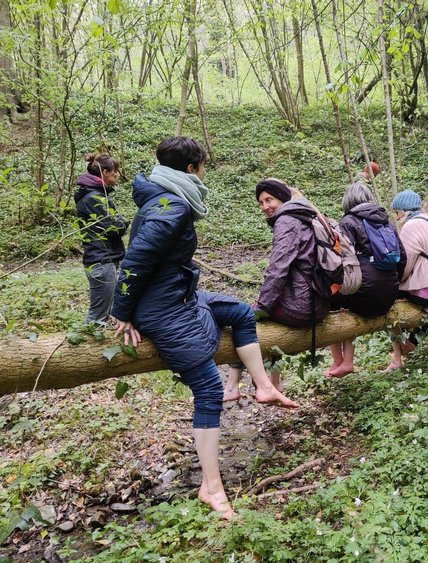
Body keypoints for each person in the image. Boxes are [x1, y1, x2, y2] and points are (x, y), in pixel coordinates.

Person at [111, 137, 298, 520]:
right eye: (204, 165)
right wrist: (122, 312)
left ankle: (263, 386)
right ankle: (210, 486)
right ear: (193, 167)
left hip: (181, 294)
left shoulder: (165, 194)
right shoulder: (172, 204)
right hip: (163, 309)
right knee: (210, 389)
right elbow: (136, 259)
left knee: (241, 313)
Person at [224, 179, 330, 396]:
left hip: (301, 306)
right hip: (320, 303)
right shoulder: (306, 215)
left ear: (283, 198)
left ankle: (232, 386)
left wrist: (261, 306)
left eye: (269, 199)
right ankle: (275, 382)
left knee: (242, 318)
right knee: (265, 315)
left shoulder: (287, 221)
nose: (265, 207)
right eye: (261, 203)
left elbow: (278, 269)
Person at [325, 182, 405, 377]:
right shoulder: (386, 221)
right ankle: (344, 362)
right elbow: (402, 257)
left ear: (347, 201)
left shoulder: (348, 222)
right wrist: (394, 284)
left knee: (332, 300)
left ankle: (342, 362)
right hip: (389, 293)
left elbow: (341, 260)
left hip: (365, 297)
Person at [386, 189, 428, 372]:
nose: (396, 217)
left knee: (389, 305)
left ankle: (397, 358)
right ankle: (412, 342)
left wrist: (395, 283)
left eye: (397, 212)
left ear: (404, 210)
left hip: (425, 289)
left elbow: (405, 265)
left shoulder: (411, 226)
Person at [74, 153, 129, 325]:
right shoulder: (93, 198)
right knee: (97, 317)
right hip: (101, 259)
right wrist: (124, 221)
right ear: (105, 172)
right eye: (116, 171)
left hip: (106, 258)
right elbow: (113, 227)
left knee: (106, 313)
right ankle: (83, 349)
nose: (118, 174)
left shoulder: (97, 195)